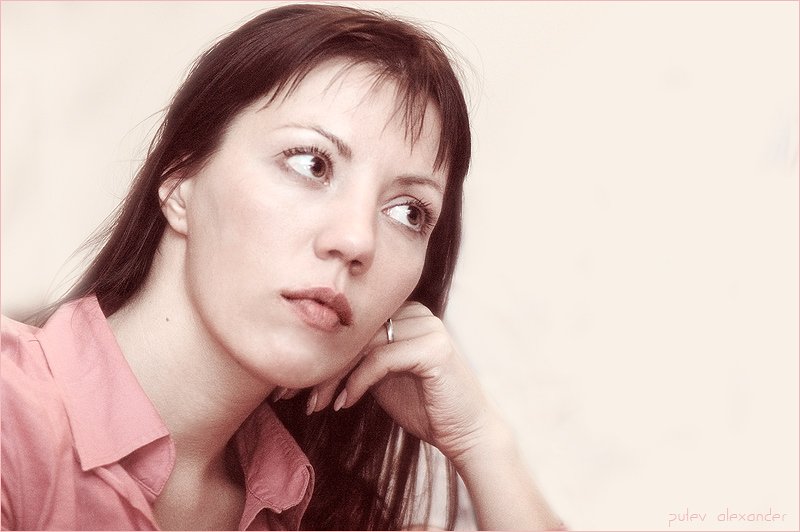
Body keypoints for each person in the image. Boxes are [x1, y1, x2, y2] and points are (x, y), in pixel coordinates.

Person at [1, 4, 564, 530]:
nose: (356, 240)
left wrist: (482, 442)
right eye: (312, 164)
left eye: (408, 212)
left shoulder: (327, 511)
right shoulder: (12, 418)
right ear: (179, 182)